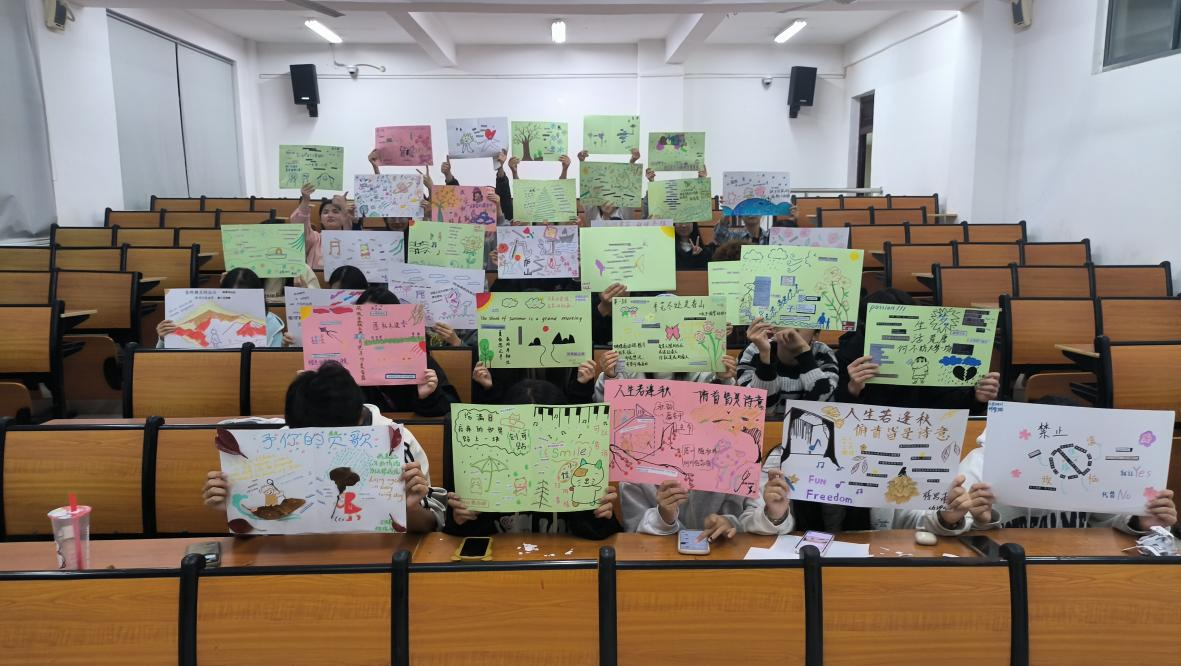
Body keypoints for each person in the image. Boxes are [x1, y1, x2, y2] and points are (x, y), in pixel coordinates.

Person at [201, 361, 444, 532]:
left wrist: (409, 508)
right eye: (309, 438)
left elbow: (431, 526)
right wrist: (231, 506)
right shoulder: (278, 444)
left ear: (359, 418)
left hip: (377, 556)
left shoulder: (396, 444)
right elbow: (260, 530)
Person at [958, 396, 1177, 534]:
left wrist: (1140, 520)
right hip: (1002, 563)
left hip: (1069, 565)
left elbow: (1107, 518)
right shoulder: (980, 465)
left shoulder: (1091, 464)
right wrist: (979, 521)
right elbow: (950, 523)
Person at [443, 379, 620, 539]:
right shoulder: (484, 473)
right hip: (502, 560)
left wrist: (600, 516)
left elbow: (601, 538)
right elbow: (460, 539)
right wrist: (461, 520)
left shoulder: (578, 470)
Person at [837, 289, 1001, 410]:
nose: (896, 334)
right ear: (866, 327)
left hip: (920, 431)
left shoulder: (928, 350)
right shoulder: (849, 357)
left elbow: (945, 401)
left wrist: (976, 397)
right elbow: (835, 412)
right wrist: (852, 389)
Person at [354, 286, 460, 417]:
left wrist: (426, 396)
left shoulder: (418, 358)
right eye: (365, 320)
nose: (374, 329)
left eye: (382, 322)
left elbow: (450, 407)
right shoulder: (347, 362)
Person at [155, 267, 289, 348]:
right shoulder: (202, 315)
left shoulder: (272, 324)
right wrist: (163, 338)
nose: (237, 305)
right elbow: (169, 357)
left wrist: (285, 345)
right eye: (231, 298)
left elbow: (272, 364)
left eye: (243, 299)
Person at [736, 318, 840, 420]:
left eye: (806, 319)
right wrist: (765, 355)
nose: (795, 324)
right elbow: (758, 409)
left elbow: (821, 405)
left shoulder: (823, 354)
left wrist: (804, 352)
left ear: (815, 335)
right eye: (788, 316)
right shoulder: (754, 351)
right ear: (774, 328)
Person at [290, 184, 355, 270]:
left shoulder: (351, 237)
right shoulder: (315, 238)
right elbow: (299, 226)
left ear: (343, 217)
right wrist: (305, 200)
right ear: (320, 219)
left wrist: (344, 210)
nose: (330, 215)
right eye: (325, 212)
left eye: (335, 212)